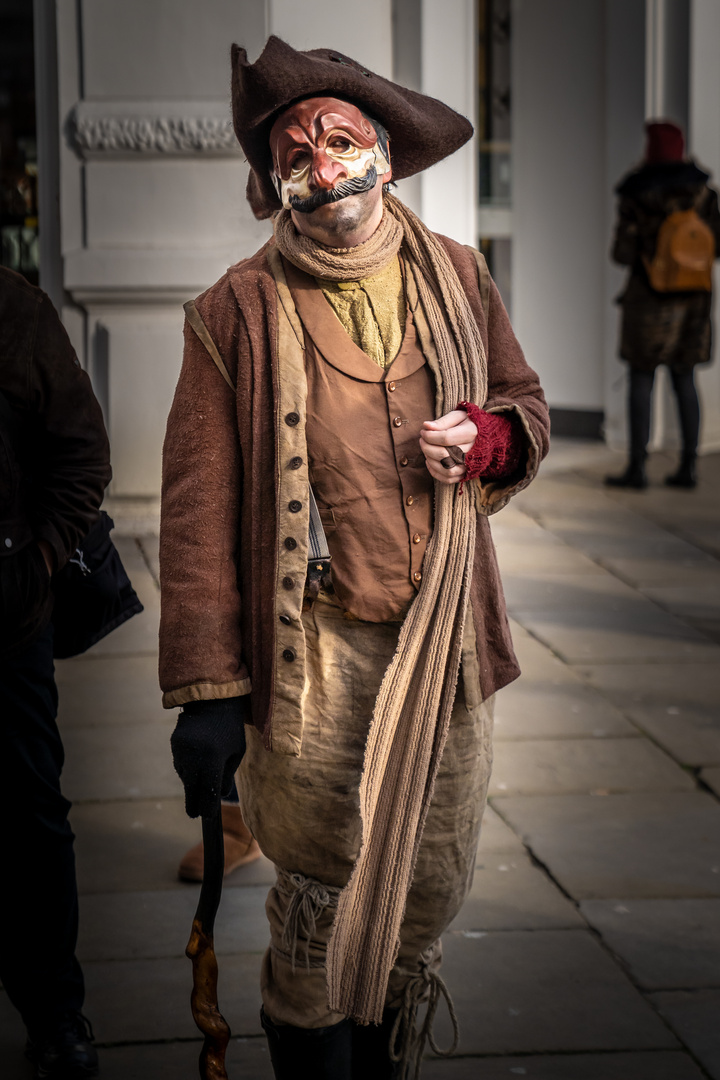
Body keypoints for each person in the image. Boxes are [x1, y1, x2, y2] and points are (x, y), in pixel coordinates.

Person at [159, 37, 549, 1079]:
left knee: (423, 884)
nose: (322, 162)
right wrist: (208, 694)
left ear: (382, 151)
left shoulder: (459, 275)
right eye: (298, 149)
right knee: (324, 893)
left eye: (341, 138)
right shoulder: (232, 312)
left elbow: (525, 404)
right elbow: (196, 519)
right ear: (274, 178)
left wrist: (489, 438)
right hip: (316, 660)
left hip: (444, 646)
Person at [0, 266, 111, 1077]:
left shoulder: (12, 307)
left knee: (30, 818)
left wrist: (34, 562)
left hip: (6, 622)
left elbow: (79, 452)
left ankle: (55, 1015)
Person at [607, 120, 720, 490]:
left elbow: (621, 254)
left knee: (642, 378)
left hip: (648, 302)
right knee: (684, 379)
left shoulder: (637, 193)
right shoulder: (703, 193)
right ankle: (688, 466)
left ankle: (637, 467)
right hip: (694, 304)